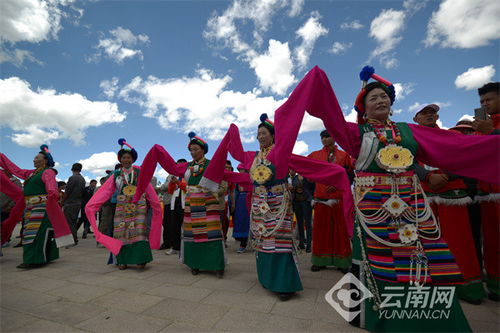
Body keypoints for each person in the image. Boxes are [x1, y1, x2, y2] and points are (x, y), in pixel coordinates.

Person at [267, 66, 500, 331]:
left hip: (411, 208)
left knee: (419, 262)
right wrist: (315, 80)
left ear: (391, 103)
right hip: (372, 212)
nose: (380, 100)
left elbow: (453, 146)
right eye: (373, 98)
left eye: (384, 96)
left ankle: (429, 321)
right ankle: (368, 316)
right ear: (363, 109)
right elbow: (328, 111)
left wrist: (493, 141)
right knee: (373, 263)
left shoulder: (409, 130)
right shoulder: (356, 133)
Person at [413, 104, 485, 304]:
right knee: (426, 242)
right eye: (424, 112)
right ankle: (432, 285)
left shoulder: (450, 136)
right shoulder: (411, 139)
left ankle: (467, 288)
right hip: (424, 194)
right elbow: (407, 161)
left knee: (460, 240)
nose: (430, 115)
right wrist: (427, 176)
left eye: (432, 112)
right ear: (415, 118)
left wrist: (447, 175)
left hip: (452, 193)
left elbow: (464, 159)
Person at [131, 133, 226, 278]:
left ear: (204, 150)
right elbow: (172, 169)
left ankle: (217, 265)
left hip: (209, 203)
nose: (193, 153)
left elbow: (222, 180)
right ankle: (195, 263)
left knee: (212, 234)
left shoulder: (211, 164)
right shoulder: (187, 166)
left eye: (196, 149)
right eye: (191, 150)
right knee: (193, 234)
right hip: (191, 203)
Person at [84, 139, 162, 270]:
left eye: (128, 157)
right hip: (121, 206)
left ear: (133, 159)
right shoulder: (116, 175)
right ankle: (122, 260)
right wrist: (92, 205)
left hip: (139, 205)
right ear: (120, 160)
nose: (126, 160)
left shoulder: (140, 172)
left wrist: (156, 205)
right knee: (121, 232)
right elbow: (105, 191)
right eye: (123, 158)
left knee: (139, 231)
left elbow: (148, 189)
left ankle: (141, 259)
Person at [0, 145, 74, 268]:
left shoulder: (48, 172)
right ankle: (45, 257)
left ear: (45, 160)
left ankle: (34, 260)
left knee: (34, 234)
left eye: (36, 157)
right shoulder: (32, 174)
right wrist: (2, 157)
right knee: (35, 233)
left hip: (42, 208)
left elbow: (51, 186)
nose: (34, 160)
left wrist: (52, 196)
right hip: (30, 208)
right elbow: (16, 170)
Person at [307, 130, 354, 272]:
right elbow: (307, 173)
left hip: (339, 199)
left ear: (334, 137)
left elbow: (351, 175)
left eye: (327, 136)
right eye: (322, 137)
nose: (324, 139)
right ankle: (320, 261)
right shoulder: (314, 155)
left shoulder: (344, 156)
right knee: (320, 231)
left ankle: (343, 262)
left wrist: (339, 183)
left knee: (341, 231)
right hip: (321, 199)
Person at [473, 82, 500, 302]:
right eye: (482, 101)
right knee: (491, 243)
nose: (485, 104)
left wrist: (493, 132)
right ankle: (495, 287)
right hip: (485, 195)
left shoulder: (488, 128)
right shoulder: (481, 127)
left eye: (489, 99)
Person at [165, 159, 187, 255]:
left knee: (186, 228)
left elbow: (187, 188)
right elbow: (170, 191)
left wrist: (177, 182)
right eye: (178, 165)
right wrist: (172, 183)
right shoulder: (174, 176)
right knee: (174, 227)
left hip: (185, 204)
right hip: (174, 205)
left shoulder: (187, 176)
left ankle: (187, 247)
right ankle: (175, 247)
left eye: (181, 165)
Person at [289, 169, 314, 252]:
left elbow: (312, 188)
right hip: (297, 202)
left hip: (306, 202)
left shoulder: (308, 177)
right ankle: (301, 243)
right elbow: (293, 191)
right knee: (299, 223)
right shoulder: (295, 178)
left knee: (308, 223)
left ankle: (309, 245)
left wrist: (312, 199)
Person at [62, 163, 86, 245]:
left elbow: (67, 191)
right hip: (78, 202)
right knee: (73, 221)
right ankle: (74, 239)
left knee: (69, 222)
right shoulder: (82, 179)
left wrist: (62, 201)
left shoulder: (72, 178)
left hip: (70, 203)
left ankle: (72, 240)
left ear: (72, 169)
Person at [233, 165, 251, 253]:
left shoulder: (251, 178)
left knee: (251, 221)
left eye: (242, 169)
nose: (240, 171)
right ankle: (242, 243)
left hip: (250, 200)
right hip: (240, 202)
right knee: (241, 222)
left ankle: (255, 243)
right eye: (239, 170)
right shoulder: (237, 180)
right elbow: (235, 192)